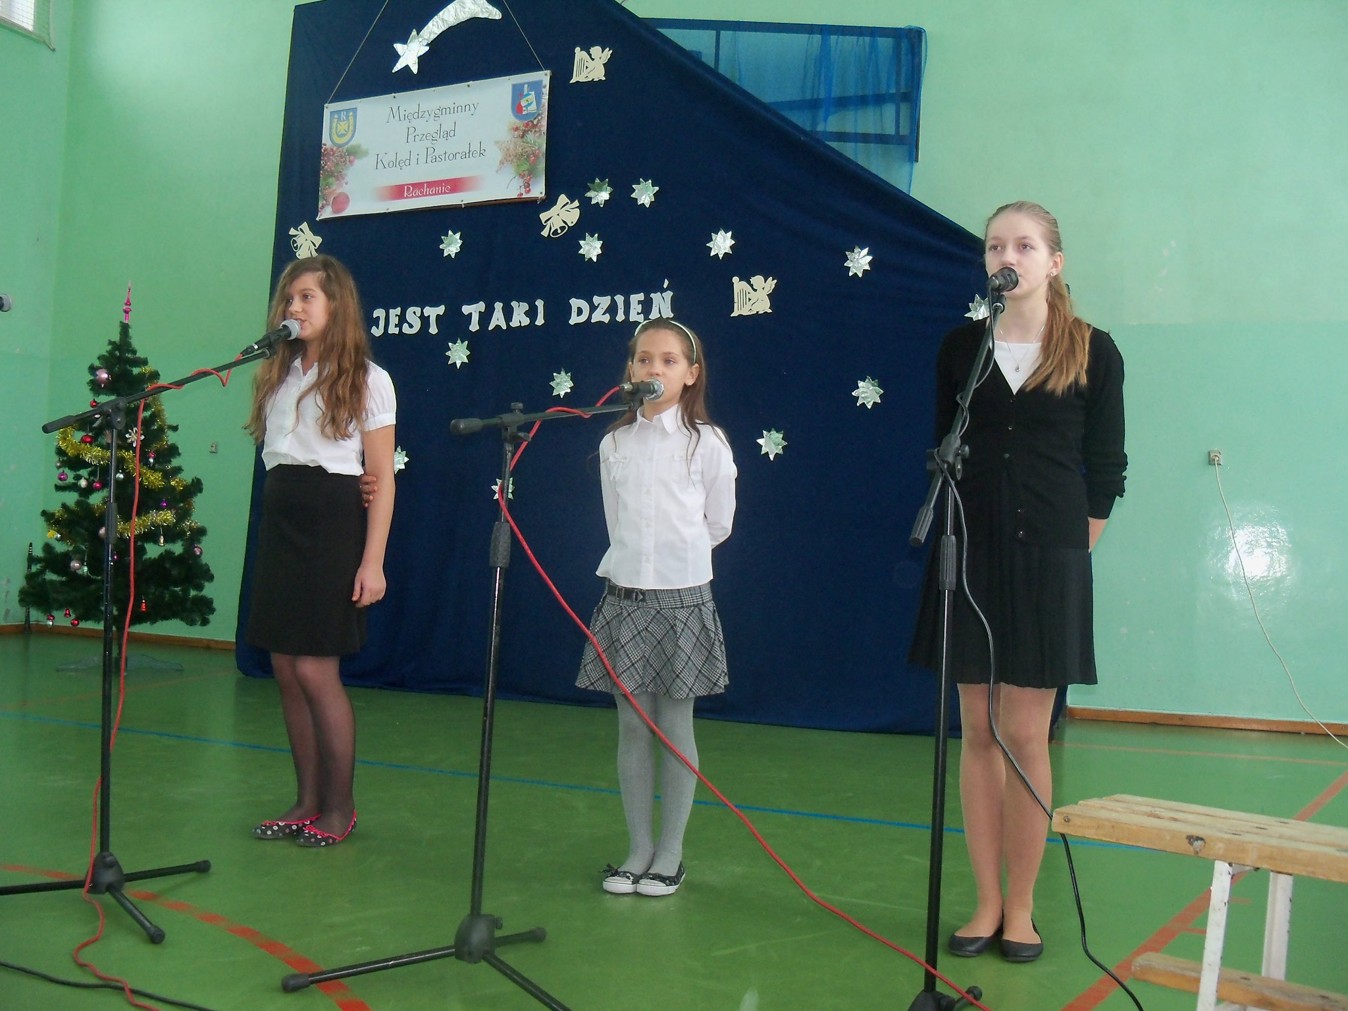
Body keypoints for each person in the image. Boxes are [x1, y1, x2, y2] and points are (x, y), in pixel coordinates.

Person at [909, 201, 1126, 961]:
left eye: (1025, 245)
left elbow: (1106, 471)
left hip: (1048, 560)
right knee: (977, 732)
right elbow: (943, 443)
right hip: (970, 550)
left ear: (1053, 262)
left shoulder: (1093, 349)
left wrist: (1066, 556)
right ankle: (986, 900)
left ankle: (1024, 907)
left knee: (1026, 733)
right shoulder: (961, 348)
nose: (1008, 255)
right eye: (996, 245)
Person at [577, 318, 737, 898]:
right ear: (630, 369)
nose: (654, 369)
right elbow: (613, 520)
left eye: (669, 361)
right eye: (644, 359)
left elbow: (718, 522)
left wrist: (673, 566)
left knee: (673, 726)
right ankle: (638, 848)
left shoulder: (706, 442)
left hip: (682, 601)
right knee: (631, 727)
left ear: (691, 373)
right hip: (625, 599)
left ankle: (670, 854)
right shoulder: (614, 443)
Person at [244, 254, 396, 848]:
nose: (295, 307)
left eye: (307, 297)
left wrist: (372, 562)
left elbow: (381, 477)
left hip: (330, 524)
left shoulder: (367, 378)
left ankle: (339, 806)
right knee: (285, 667)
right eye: (290, 298)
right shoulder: (279, 373)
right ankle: (306, 800)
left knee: (315, 667)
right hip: (281, 519)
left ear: (337, 305)